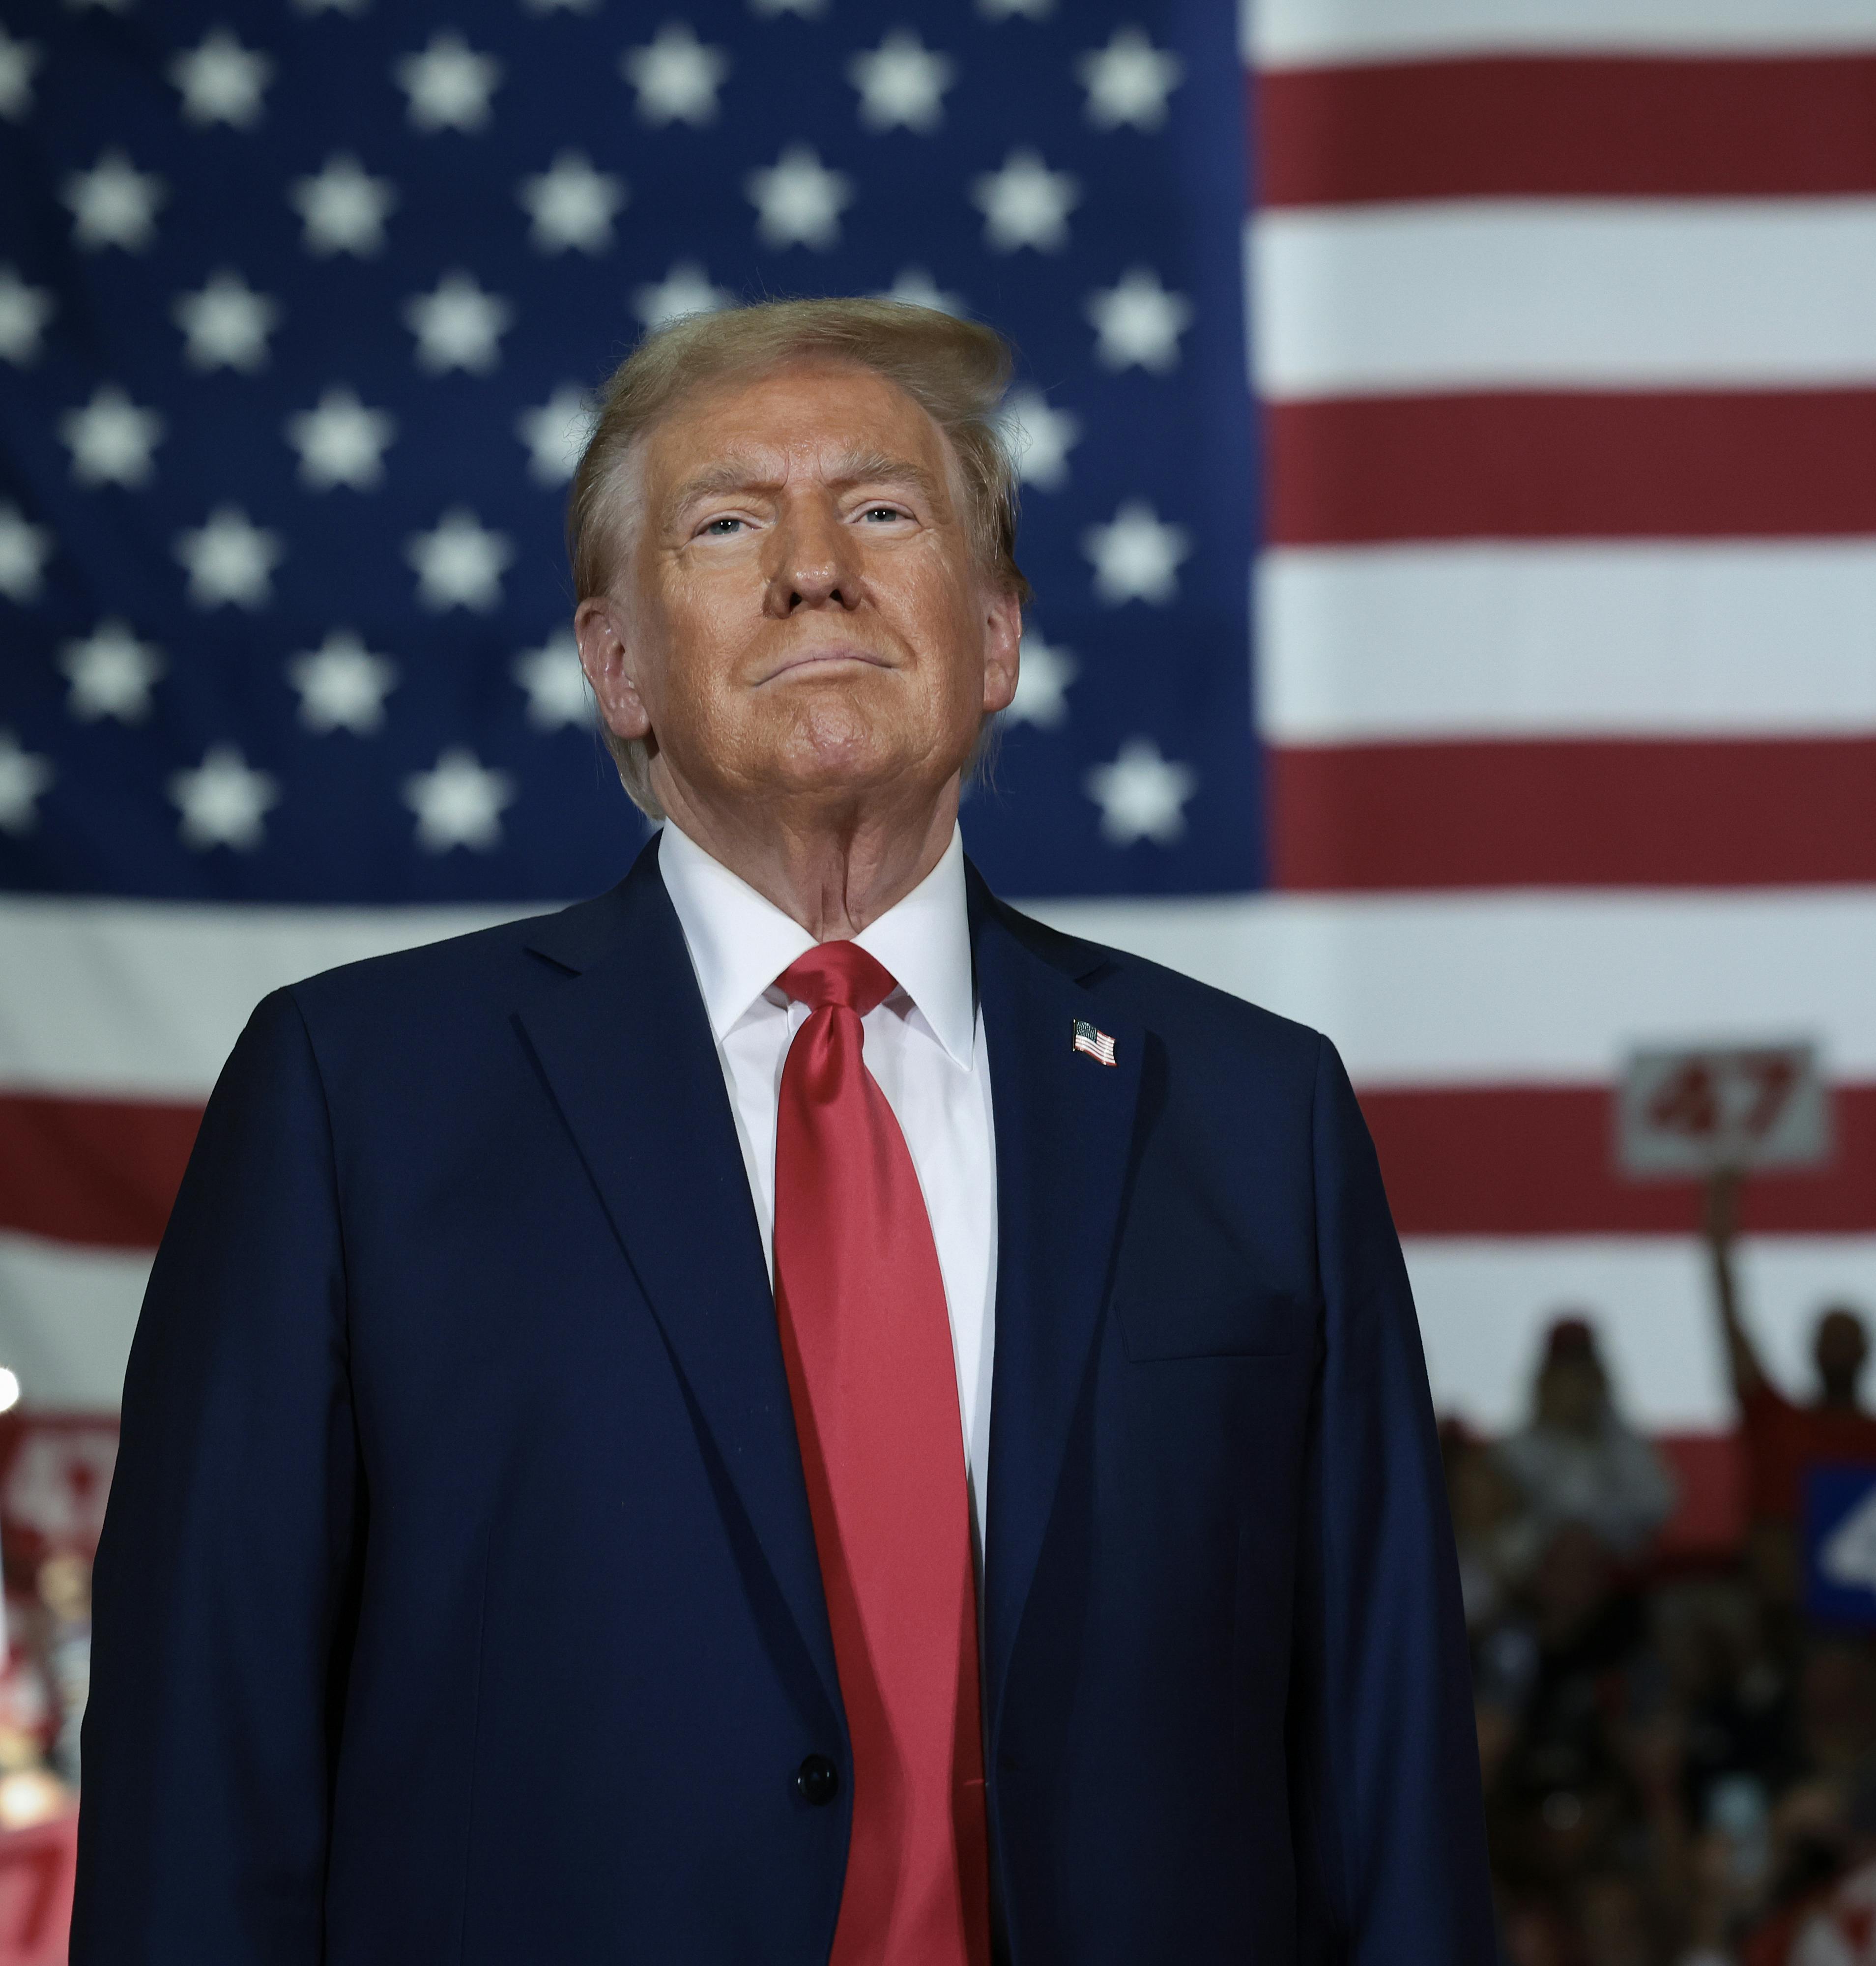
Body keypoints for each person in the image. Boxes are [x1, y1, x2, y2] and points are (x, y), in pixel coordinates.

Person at [74, 301, 1492, 1963]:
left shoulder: (1259, 1117)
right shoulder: (353, 1098)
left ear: (996, 638)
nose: (814, 568)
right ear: (620, 669)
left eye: (884, 512)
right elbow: (202, 1768)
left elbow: (1391, 1777)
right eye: (729, 522)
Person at [1700, 1169, 1876, 1533]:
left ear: (1868, 1352)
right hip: (1785, 1589)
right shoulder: (1774, 1421)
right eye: (1832, 1340)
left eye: (1847, 1341)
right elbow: (1729, 1319)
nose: (1839, 1350)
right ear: (1812, 1350)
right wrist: (1720, 1221)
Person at [1492, 1315, 1677, 1559]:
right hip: (1534, 1584)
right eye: (1564, 1376)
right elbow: (1503, 1535)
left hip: (1615, 1579)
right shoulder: (1516, 1450)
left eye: (1582, 1375)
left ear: (1599, 1382)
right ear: (1545, 1383)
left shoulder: (1626, 1446)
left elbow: (1656, 1504)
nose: (1574, 1388)